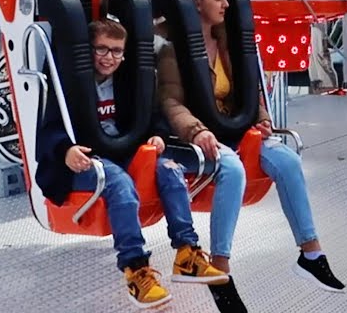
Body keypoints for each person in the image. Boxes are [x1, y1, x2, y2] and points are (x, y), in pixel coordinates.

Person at [154, 0, 346, 312]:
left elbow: (248, 89)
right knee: (232, 168)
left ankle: (311, 253)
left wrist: (262, 118)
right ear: (197, 4)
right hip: (196, 137)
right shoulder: (172, 51)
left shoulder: (230, 42)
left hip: (235, 129)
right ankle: (221, 271)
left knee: (288, 160)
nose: (225, 4)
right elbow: (171, 102)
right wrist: (198, 130)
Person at [35, 19, 229, 310]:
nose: (109, 58)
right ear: (87, 50)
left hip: (122, 151)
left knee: (170, 170)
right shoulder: (69, 84)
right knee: (119, 184)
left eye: (116, 51)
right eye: (101, 49)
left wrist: (158, 135)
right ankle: (136, 269)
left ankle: (187, 254)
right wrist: (66, 150)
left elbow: (152, 118)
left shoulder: (131, 81)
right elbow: (47, 129)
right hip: (87, 158)